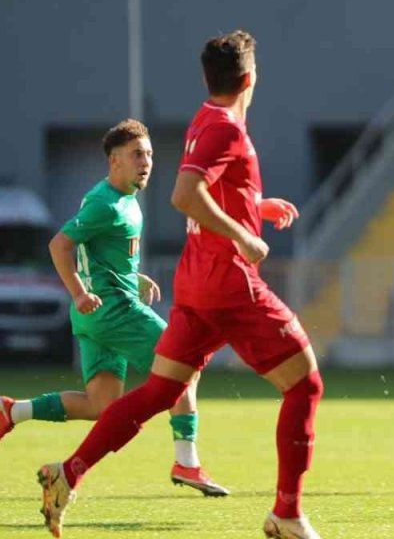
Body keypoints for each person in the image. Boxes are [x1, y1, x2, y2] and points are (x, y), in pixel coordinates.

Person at [36, 31, 324, 539]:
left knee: (159, 391)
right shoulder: (226, 129)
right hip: (226, 282)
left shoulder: (204, 120)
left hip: (197, 285)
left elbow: (210, 193)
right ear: (251, 79)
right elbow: (186, 195)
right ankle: (286, 513)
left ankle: (69, 472)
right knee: (305, 384)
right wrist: (245, 236)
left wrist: (256, 209)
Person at [0, 119, 227, 497]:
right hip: (112, 311)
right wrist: (77, 293)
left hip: (96, 315)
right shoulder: (106, 203)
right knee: (183, 364)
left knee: (100, 404)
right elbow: (60, 245)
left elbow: (94, 250)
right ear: (114, 161)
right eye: (137, 154)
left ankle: (13, 411)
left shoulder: (122, 201)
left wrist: (131, 276)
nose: (147, 162)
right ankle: (187, 461)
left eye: (150, 154)